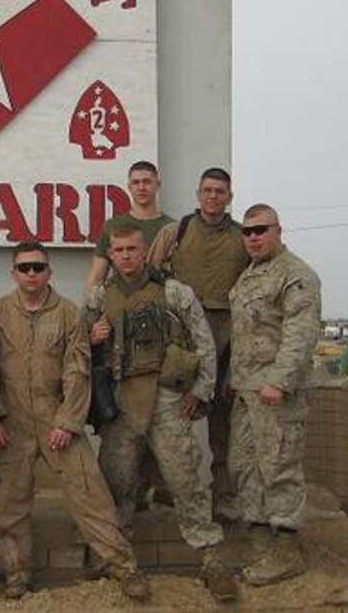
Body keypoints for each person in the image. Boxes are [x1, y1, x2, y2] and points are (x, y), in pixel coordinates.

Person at [0, 241, 149, 602]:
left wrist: (68, 421)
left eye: (38, 267)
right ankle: (16, 574)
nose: (31, 274)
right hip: (10, 422)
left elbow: (78, 371)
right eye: (24, 268)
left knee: (91, 494)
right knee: (8, 505)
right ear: (14, 273)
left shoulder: (68, 314)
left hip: (57, 417)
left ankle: (122, 566)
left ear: (49, 272)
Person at [87, 225, 239, 602]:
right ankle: (120, 562)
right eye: (118, 250)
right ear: (111, 255)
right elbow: (80, 350)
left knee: (185, 479)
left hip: (167, 399)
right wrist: (93, 339)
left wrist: (202, 391)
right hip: (120, 404)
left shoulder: (174, 292)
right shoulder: (98, 298)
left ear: (144, 251)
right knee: (116, 483)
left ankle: (210, 560)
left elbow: (203, 341)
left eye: (131, 249)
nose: (125, 256)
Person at [229, 204, 321, 586]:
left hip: (275, 393)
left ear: (279, 230)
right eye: (247, 231)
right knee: (245, 466)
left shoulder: (295, 275)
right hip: (246, 391)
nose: (253, 237)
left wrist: (279, 381)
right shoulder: (250, 276)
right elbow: (246, 333)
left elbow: (300, 335)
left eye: (261, 230)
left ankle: (286, 551)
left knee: (279, 466)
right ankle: (260, 547)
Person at [148, 167, 249, 513]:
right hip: (182, 336)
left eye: (220, 191)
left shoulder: (242, 237)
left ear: (229, 197)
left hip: (227, 335)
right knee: (171, 411)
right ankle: (166, 488)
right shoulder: (175, 232)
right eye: (207, 190)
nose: (213, 197)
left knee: (224, 416)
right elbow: (150, 277)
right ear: (198, 194)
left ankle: (224, 494)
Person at [83, 161, 173, 295]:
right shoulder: (112, 226)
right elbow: (97, 276)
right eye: (136, 183)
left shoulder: (171, 228)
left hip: (160, 302)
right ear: (129, 187)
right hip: (120, 300)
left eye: (147, 182)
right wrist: (90, 311)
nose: (141, 187)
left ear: (158, 185)